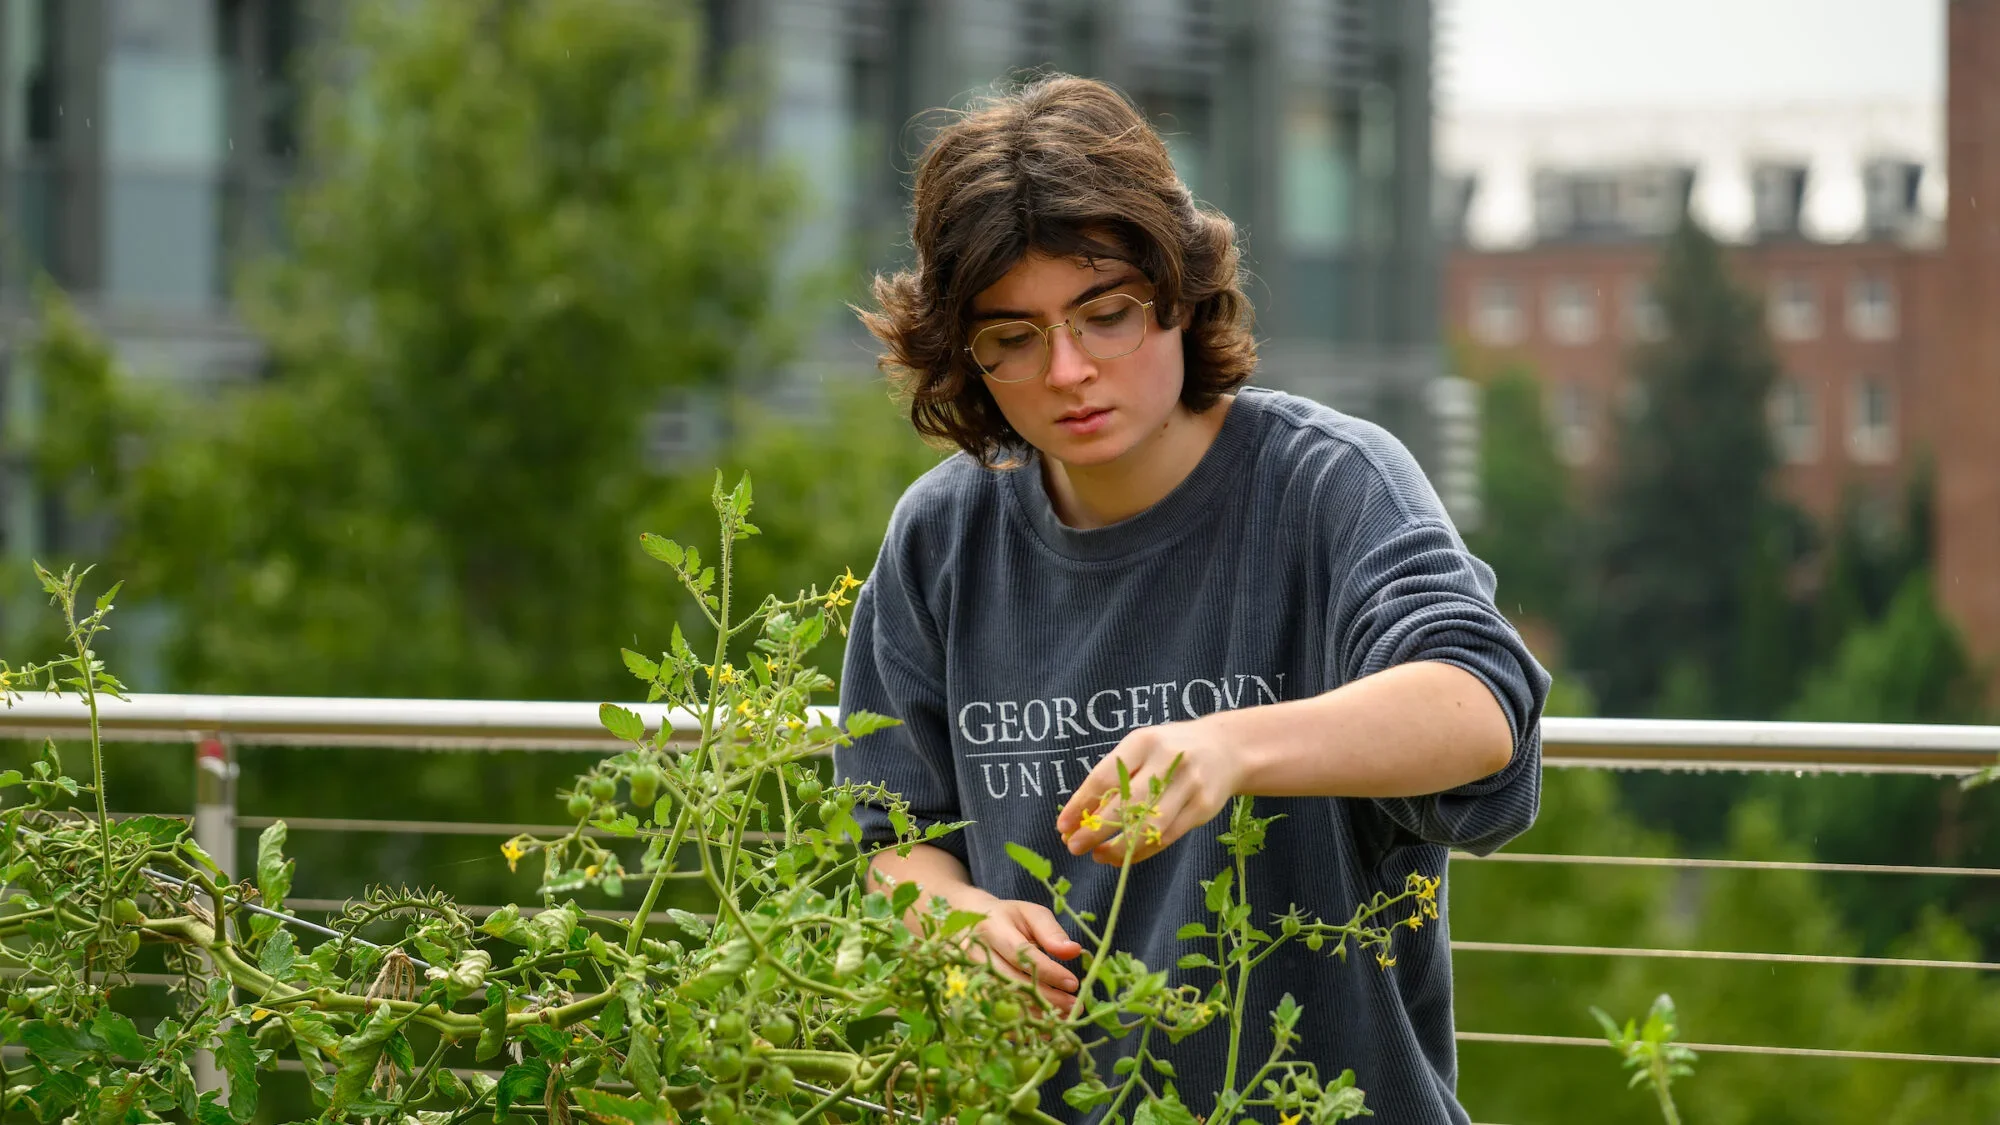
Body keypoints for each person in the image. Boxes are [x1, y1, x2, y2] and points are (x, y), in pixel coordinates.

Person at [834, 74, 1548, 1125]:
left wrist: (1225, 750)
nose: (1067, 370)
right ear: (965, 356)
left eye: (1105, 315)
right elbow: (892, 841)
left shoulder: (1327, 483)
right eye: (1012, 338)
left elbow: (1478, 707)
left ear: (1178, 293)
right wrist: (951, 922)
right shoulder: (942, 535)